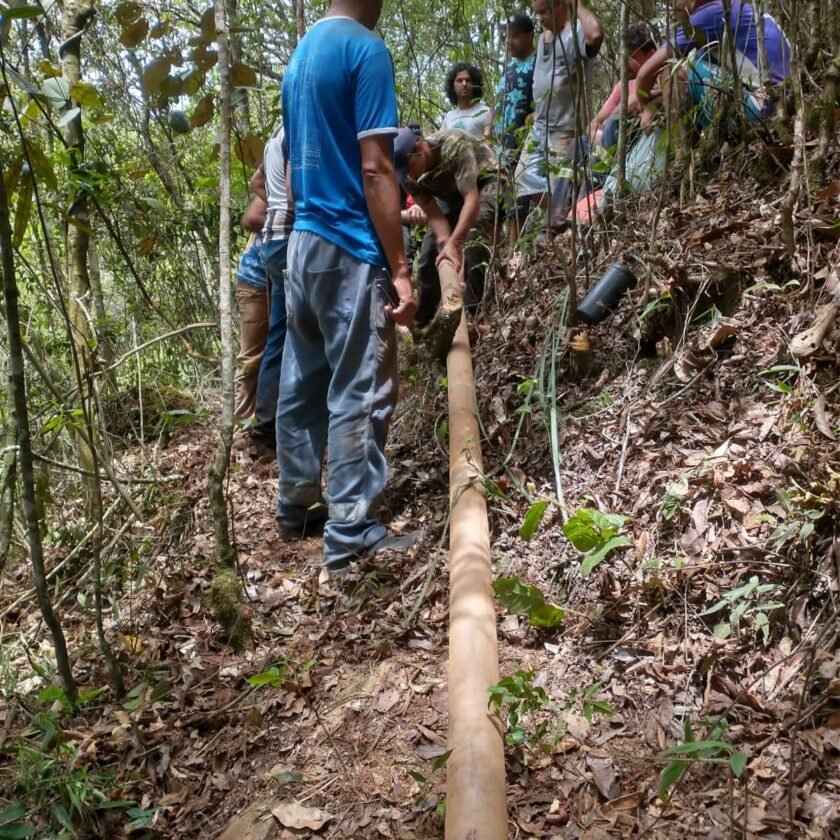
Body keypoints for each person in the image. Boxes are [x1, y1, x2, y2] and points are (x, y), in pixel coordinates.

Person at [279, 0, 417, 572]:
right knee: (359, 386)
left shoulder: (298, 58)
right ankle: (351, 532)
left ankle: (298, 505)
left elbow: (290, 160)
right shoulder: (364, 49)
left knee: (304, 379)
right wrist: (402, 269)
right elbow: (377, 168)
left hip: (300, 241)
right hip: (346, 245)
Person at [394, 128, 501, 346]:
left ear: (421, 148)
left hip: (485, 180)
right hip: (452, 195)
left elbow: (471, 201)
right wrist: (446, 246)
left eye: (412, 167)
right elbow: (436, 217)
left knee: (474, 238)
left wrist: (456, 243)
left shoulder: (453, 145)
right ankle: (422, 325)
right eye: (406, 172)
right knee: (427, 258)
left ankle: (471, 317)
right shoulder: (408, 175)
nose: (411, 175)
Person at [512, 0, 603, 233]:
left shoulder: (576, 32)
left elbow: (595, 36)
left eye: (545, 12)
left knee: (558, 185)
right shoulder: (544, 38)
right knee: (522, 178)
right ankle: (561, 216)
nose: (540, 18)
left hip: (565, 127)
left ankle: (563, 227)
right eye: (537, 13)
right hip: (540, 126)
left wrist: (576, 4)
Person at [633, 0, 791, 133]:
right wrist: (657, 100)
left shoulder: (708, 15)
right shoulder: (732, 8)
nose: (670, 10)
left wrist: (645, 105)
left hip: (765, 108)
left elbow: (645, 73)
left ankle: (682, 156)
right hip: (786, 100)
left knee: (672, 72)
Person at [249, 123, 293, 460]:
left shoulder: (275, 133)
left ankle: (265, 433)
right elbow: (297, 189)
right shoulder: (299, 127)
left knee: (280, 335)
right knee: (306, 337)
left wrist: (274, 202)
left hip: (273, 240)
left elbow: (256, 182)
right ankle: (291, 433)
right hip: (294, 239)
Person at [493, 14, 536, 247]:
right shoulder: (508, 67)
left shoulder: (538, 62)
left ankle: (513, 254)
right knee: (498, 201)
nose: (509, 41)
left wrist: (532, 121)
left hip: (521, 140)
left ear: (529, 36)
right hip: (499, 143)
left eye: (515, 36)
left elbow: (542, 98)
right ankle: (496, 256)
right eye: (507, 37)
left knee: (517, 200)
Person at [589, 22, 658, 150]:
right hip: (606, 143)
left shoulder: (661, 79)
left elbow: (634, 102)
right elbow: (594, 123)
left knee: (613, 123)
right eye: (624, 56)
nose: (627, 62)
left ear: (651, 55)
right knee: (578, 143)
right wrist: (600, 138)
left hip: (632, 146)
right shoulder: (623, 85)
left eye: (633, 56)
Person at [233, 199, 268, 425]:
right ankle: (241, 429)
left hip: (281, 280)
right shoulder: (284, 173)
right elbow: (251, 219)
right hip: (256, 278)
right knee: (252, 357)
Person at [441, 63, 492, 141]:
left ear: (474, 84)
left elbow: (488, 144)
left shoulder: (485, 112)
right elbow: (439, 143)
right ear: (452, 88)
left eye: (468, 80)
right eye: (459, 81)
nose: (464, 84)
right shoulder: (449, 116)